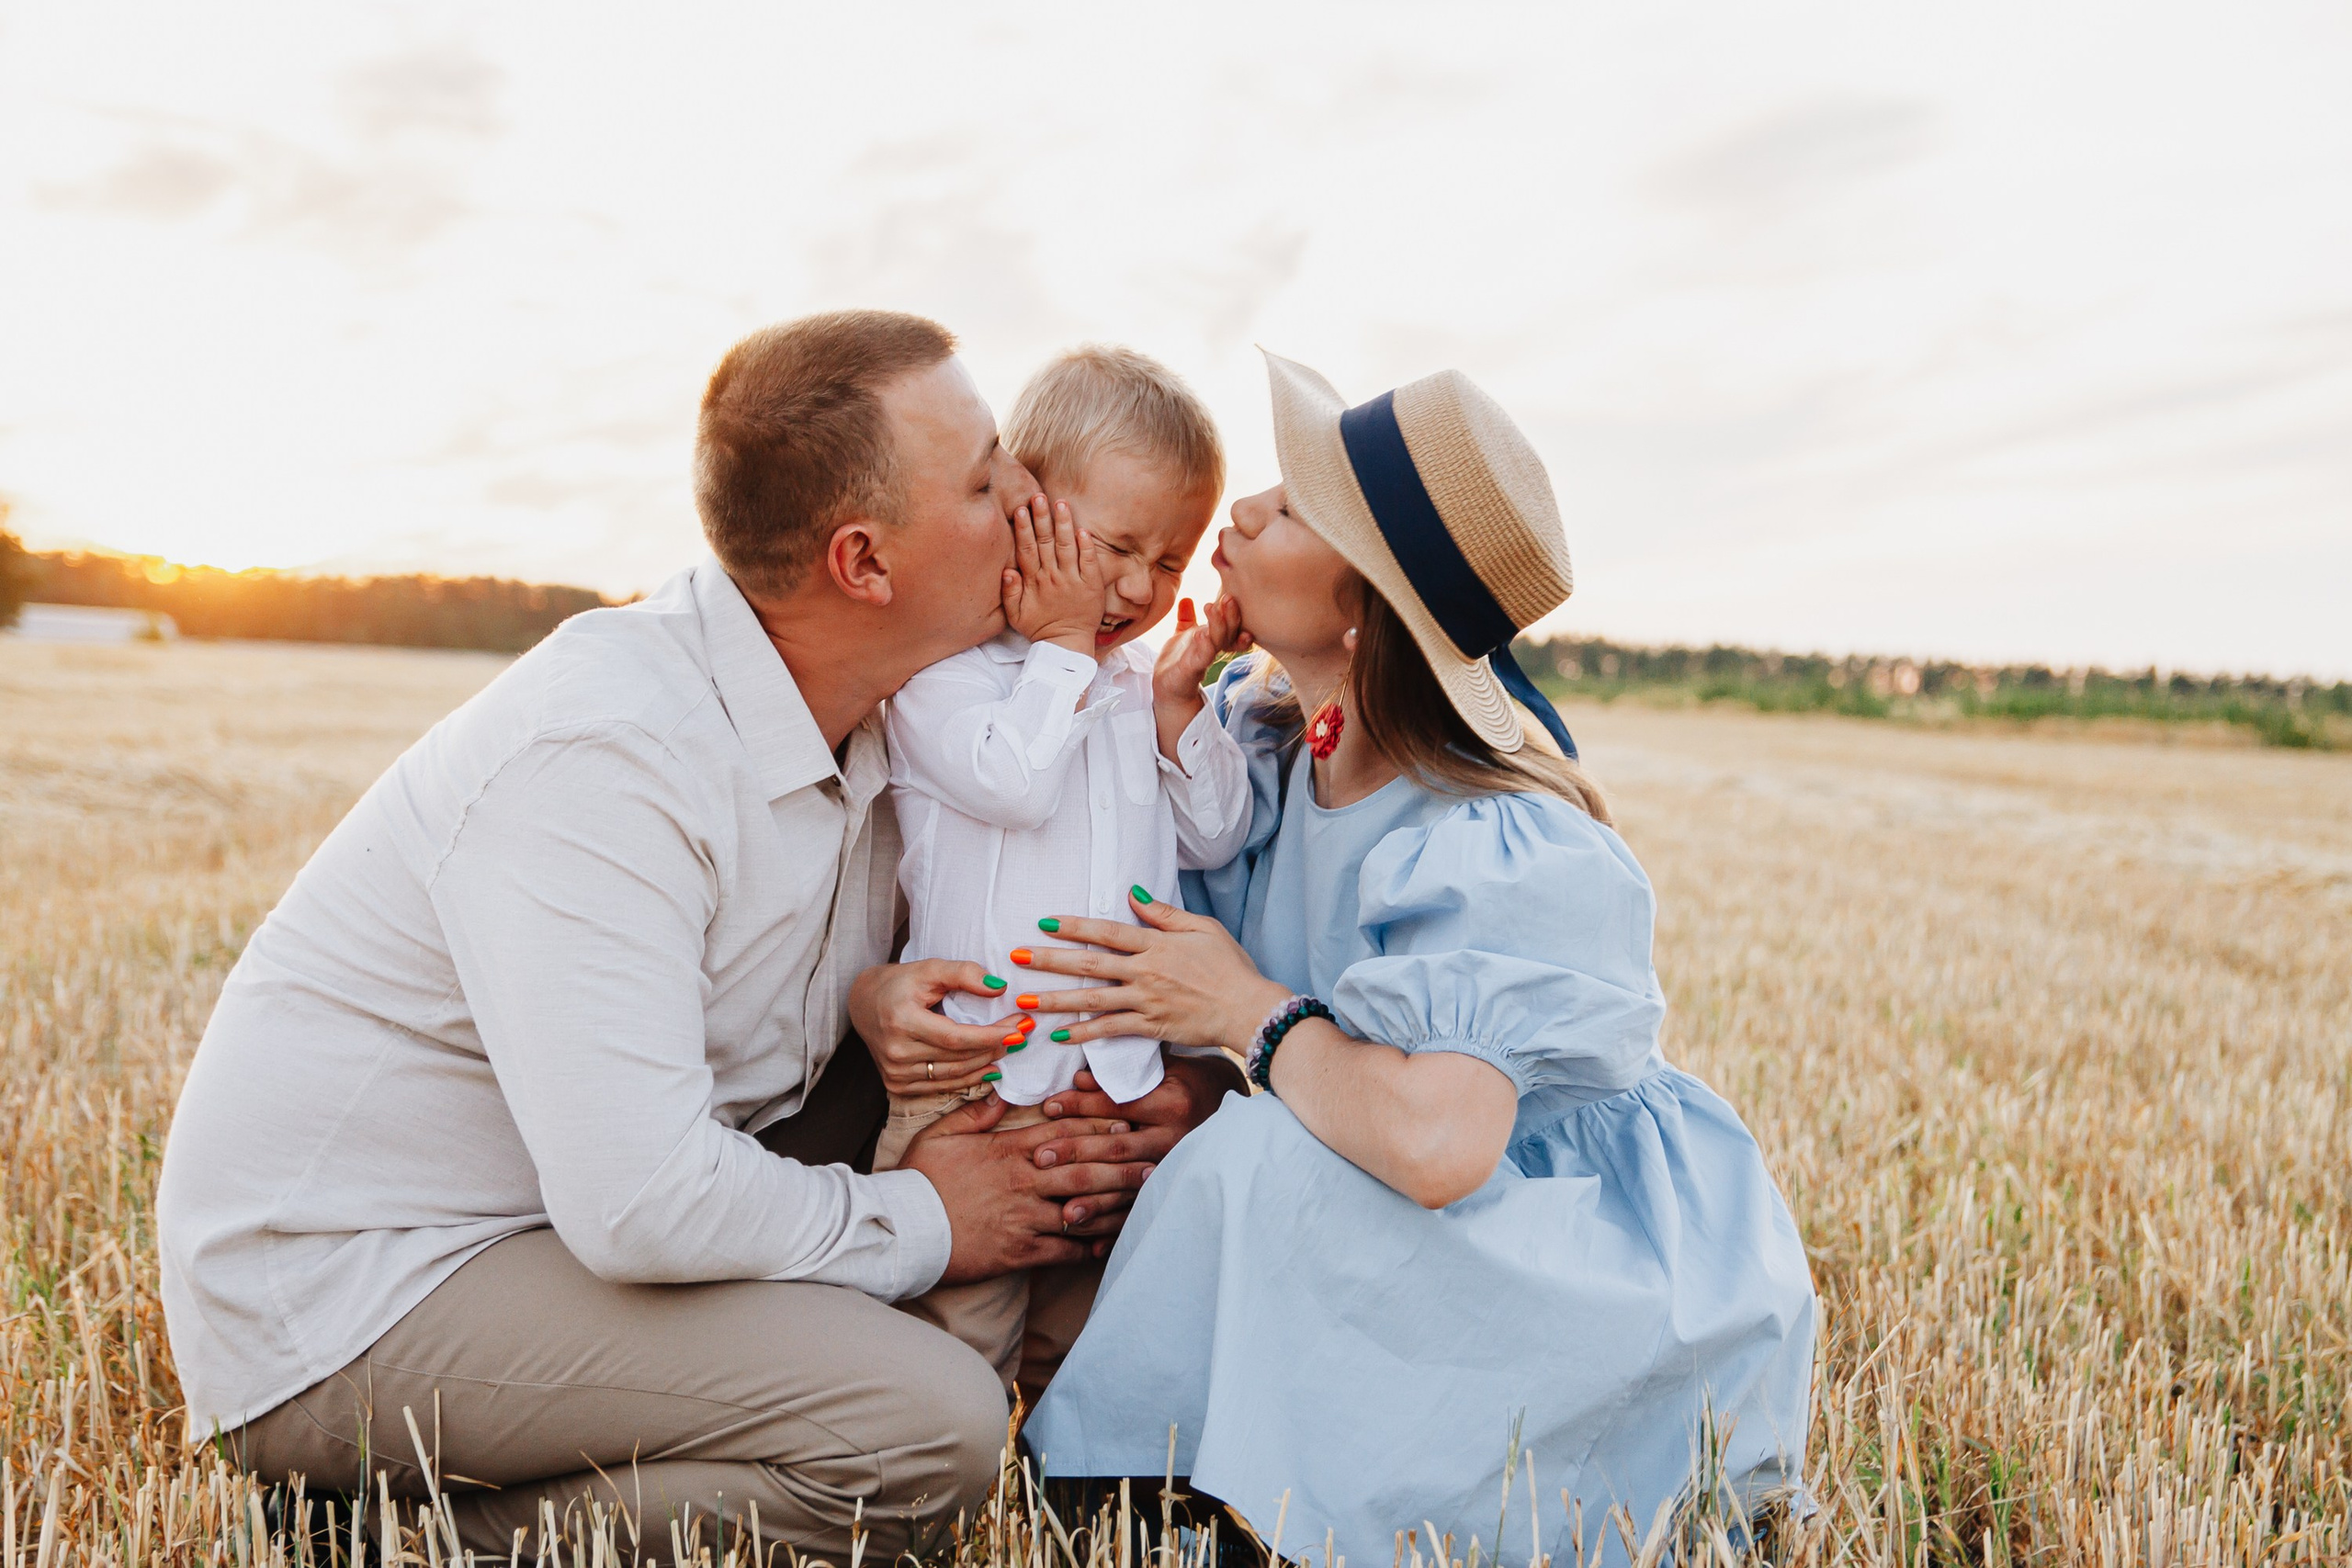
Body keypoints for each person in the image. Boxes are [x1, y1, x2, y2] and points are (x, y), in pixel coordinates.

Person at [153, 310, 1240, 1558]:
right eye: (991, 479)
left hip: (554, 1211)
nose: (1029, 509)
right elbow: (642, 1201)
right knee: (922, 1428)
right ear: (864, 563)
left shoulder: (878, 709)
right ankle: (381, 1538)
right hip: (360, 1293)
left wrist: (875, 1006)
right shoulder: (606, 750)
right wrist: (932, 1219)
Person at [1018, 354, 1818, 1562]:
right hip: (1380, 1189)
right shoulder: (1262, 746)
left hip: (1552, 1251)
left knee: (1249, 1163)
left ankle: (1196, 1488)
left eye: (1287, 509)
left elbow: (1440, 1145)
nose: (1237, 516)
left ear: (1361, 609)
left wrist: (1243, 1009)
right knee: (1218, 1161)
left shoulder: (1492, 836)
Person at [873, 347, 1254, 1393]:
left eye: (1171, 562)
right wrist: (1060, 649)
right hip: (972, 1091)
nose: (1138, 586)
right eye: (1118, 546)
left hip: (1112, 1086)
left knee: (1084, 1357)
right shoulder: (943, 675)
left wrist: (1180, 709)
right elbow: (1012, 782)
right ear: (1027, 506)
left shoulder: (1132, 683)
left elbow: (1213, 837)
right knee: (959, 1348)